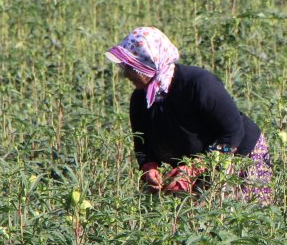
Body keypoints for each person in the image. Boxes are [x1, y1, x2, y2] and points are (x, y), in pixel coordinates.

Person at [106, 27, 273, 204]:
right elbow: (142, 145)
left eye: (130, 67)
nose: (125, 74)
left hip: (237, 154)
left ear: (150, 62)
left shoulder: (199, 84)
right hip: (190, 167)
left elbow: (232, 133)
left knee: (243, 217)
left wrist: (193, 170)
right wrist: (149, 167)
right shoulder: (140, 99)